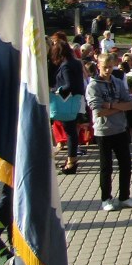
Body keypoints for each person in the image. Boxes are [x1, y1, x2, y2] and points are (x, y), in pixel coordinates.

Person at [86, 53, 132, 212]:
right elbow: (97, 111)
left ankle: (124, 196)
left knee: (126, 163)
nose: (108, 70)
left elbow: (129, 104)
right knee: (106, 166)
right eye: (105, 67)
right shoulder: (93, 86)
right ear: (98, 66)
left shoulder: (117, 82)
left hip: (120, 128)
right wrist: (116, 106)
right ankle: (106, 198)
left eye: (111, 67)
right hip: (103, 131)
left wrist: (109, 105)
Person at [53, 39, 86, 174]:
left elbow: (69, 84)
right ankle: (71, 160)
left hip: (67, 101)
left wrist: (57, 90)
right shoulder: (76, 63)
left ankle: (71, 162)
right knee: (72, 132)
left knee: (70, 132)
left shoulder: (66, 66)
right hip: (77, 100)